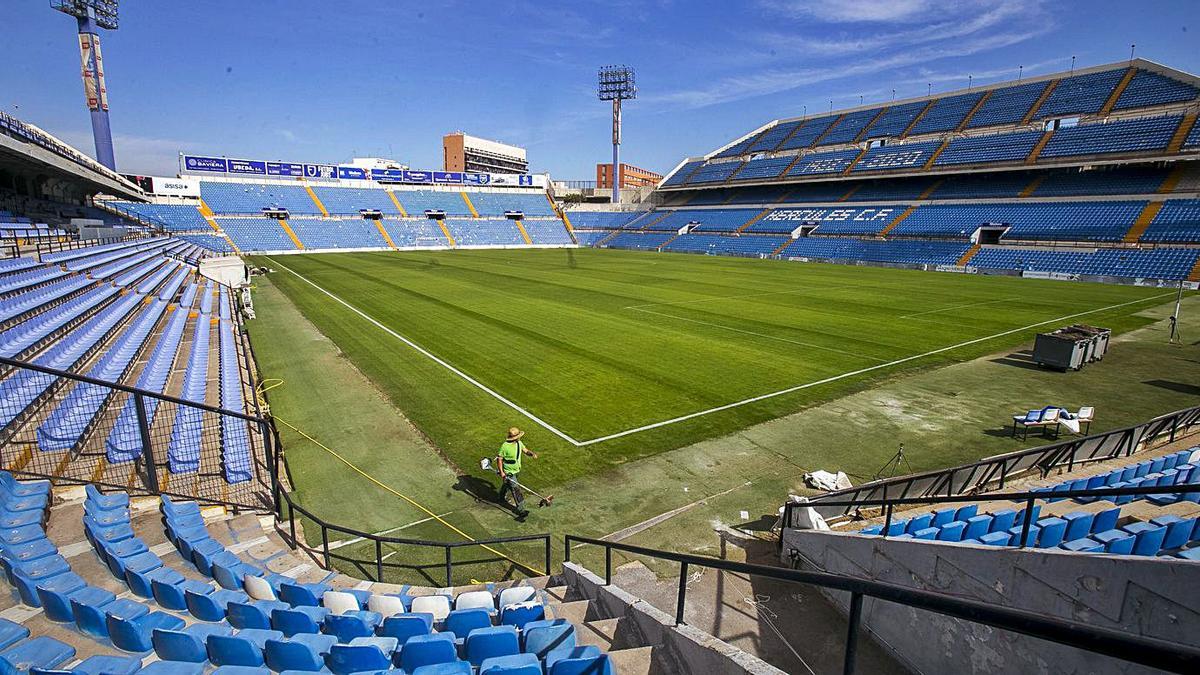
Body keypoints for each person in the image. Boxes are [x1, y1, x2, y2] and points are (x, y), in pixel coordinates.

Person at [497, 427, 538, 517]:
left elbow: (525, 450)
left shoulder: (519, 443)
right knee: (516, 490)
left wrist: (532, 454)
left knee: (507, 484)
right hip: (509, 472)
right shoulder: (505, 446)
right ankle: (521, 510)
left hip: (516, 470)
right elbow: (499, 459)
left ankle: (500, 497)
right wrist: (502, 472)